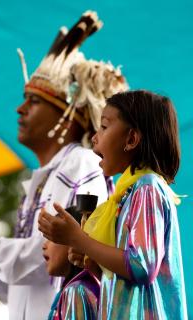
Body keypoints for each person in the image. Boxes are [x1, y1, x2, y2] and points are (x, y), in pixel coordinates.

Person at [0, 11, 128, 320]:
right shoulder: (43, 179)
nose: (20, 110)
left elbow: (57, 255)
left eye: (34, 102)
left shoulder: (82, 164)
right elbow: (18, 286)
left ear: (67, 116)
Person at [38, 90, 188, 319]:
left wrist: (80, 240)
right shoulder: (128, 194)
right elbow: (123, 276)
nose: (95, 138)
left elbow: (141, 267)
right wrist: (93, 260)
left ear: (131, 139)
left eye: (104, 127)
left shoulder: (147, 188)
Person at [43, 207, 100, 320]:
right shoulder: (71, 291)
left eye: (54, 236)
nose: (44, 245)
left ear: (74, 240)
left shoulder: (78, 291)